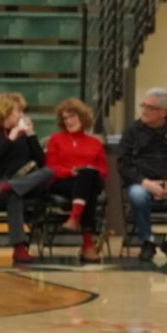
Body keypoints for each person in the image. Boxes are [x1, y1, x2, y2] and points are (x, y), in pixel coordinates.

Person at [119, 88, 167, 264]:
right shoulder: (132, 131)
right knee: (137, 195)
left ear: (163, 111)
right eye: (143, 106)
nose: (144, 111)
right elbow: (124, 165)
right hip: (142, 182)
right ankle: (147, 240)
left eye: (150, 107)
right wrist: (146, 183)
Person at [0, 93, 56, 263]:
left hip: (20, 186)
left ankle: (11, 186)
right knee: (15, 195)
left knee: (48, 172)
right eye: (18, 111)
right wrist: (11, 138)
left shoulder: (25, 138)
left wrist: (31, 135)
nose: (22, 115)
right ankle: (19, 248)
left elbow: (41, 162)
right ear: (5, 112)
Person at [45, 97, 107, 264]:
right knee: (89, 191)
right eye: (65, 118)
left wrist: (87, 172)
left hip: (88, 180)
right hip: (63, 181)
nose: (68, 121)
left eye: (72, 117)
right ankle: (87, 245)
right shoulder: (56, 139)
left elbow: (103, 170)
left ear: (82, 117)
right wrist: (70, 171)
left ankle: (74, 218)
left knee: (87, 175)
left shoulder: (95, 142)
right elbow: (51, 167)